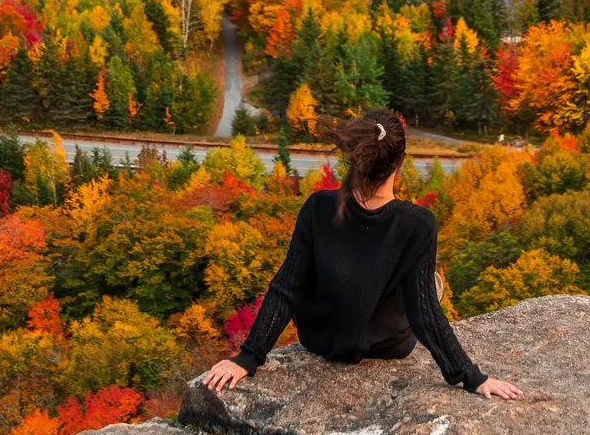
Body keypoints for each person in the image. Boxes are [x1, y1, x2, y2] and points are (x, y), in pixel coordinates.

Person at [200, 109, 523, 400]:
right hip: (384, 346)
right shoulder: (417, 224)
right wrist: (473, 378)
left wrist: (248, 357)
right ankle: (432, 284)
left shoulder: (318, 207)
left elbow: (286, 288)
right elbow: (424, 315)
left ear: (355, 159)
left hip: (321, 339)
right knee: (428, 287)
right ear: (399, 163)